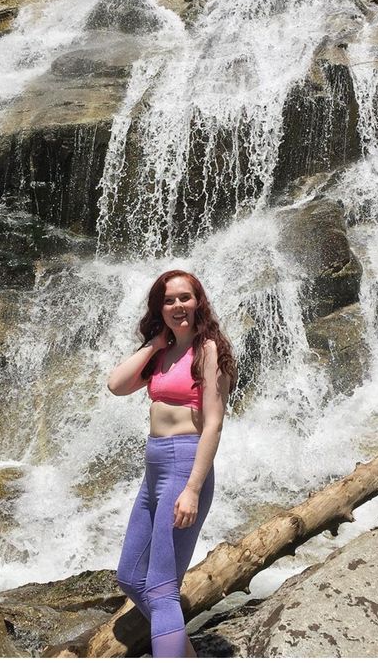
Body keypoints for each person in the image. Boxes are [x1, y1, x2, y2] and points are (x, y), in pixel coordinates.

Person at [106, 269, 236, 658]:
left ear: (199, 302)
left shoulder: (209, 349)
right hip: (155, 468)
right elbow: (116, 384)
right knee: (131, 577)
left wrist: (192, 489)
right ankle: (182, 651)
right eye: (169, 300)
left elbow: (213, 424)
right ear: (158, 308)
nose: (178, 306)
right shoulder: (164, 352)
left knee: (162, 587)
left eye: (185, 297)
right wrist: (155, 343)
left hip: (184, 466)